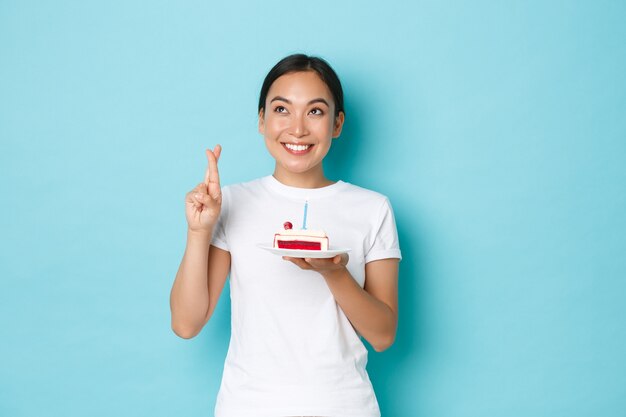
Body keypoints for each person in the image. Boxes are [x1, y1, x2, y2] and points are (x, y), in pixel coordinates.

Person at [170, 54, 402, 417]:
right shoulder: (231, 202)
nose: (297, 129)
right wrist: (199, 230)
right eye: (282, 109)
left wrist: (334, 273)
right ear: (262, 120)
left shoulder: (372, 209)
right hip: (247, 406)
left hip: (343, 406)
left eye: (315, 112)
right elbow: (186, 323)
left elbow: (383, 336)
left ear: (337, 123)